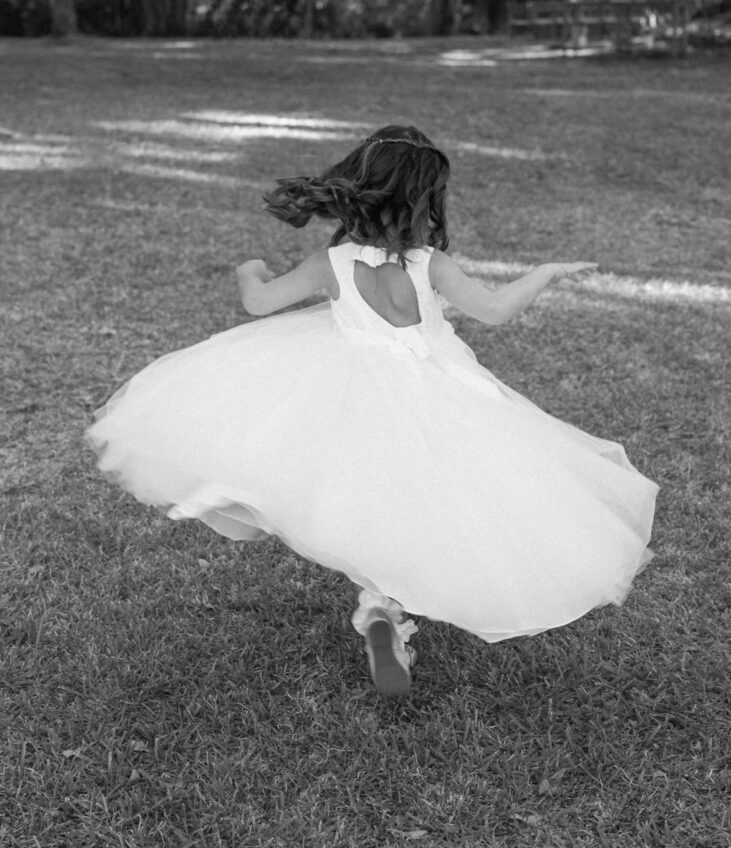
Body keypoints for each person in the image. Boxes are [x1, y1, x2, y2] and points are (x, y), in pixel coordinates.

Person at [86, 124, 657, 698]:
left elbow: (259, 302)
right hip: (438, 399)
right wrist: (546, 273)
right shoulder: (430, 265)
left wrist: (249, 270)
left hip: (348, 394)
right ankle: (384, 605)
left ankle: (379, 605)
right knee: (426, 499)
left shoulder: (331, 263)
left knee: (356, 492)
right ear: (424, 201)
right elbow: (496, 311)